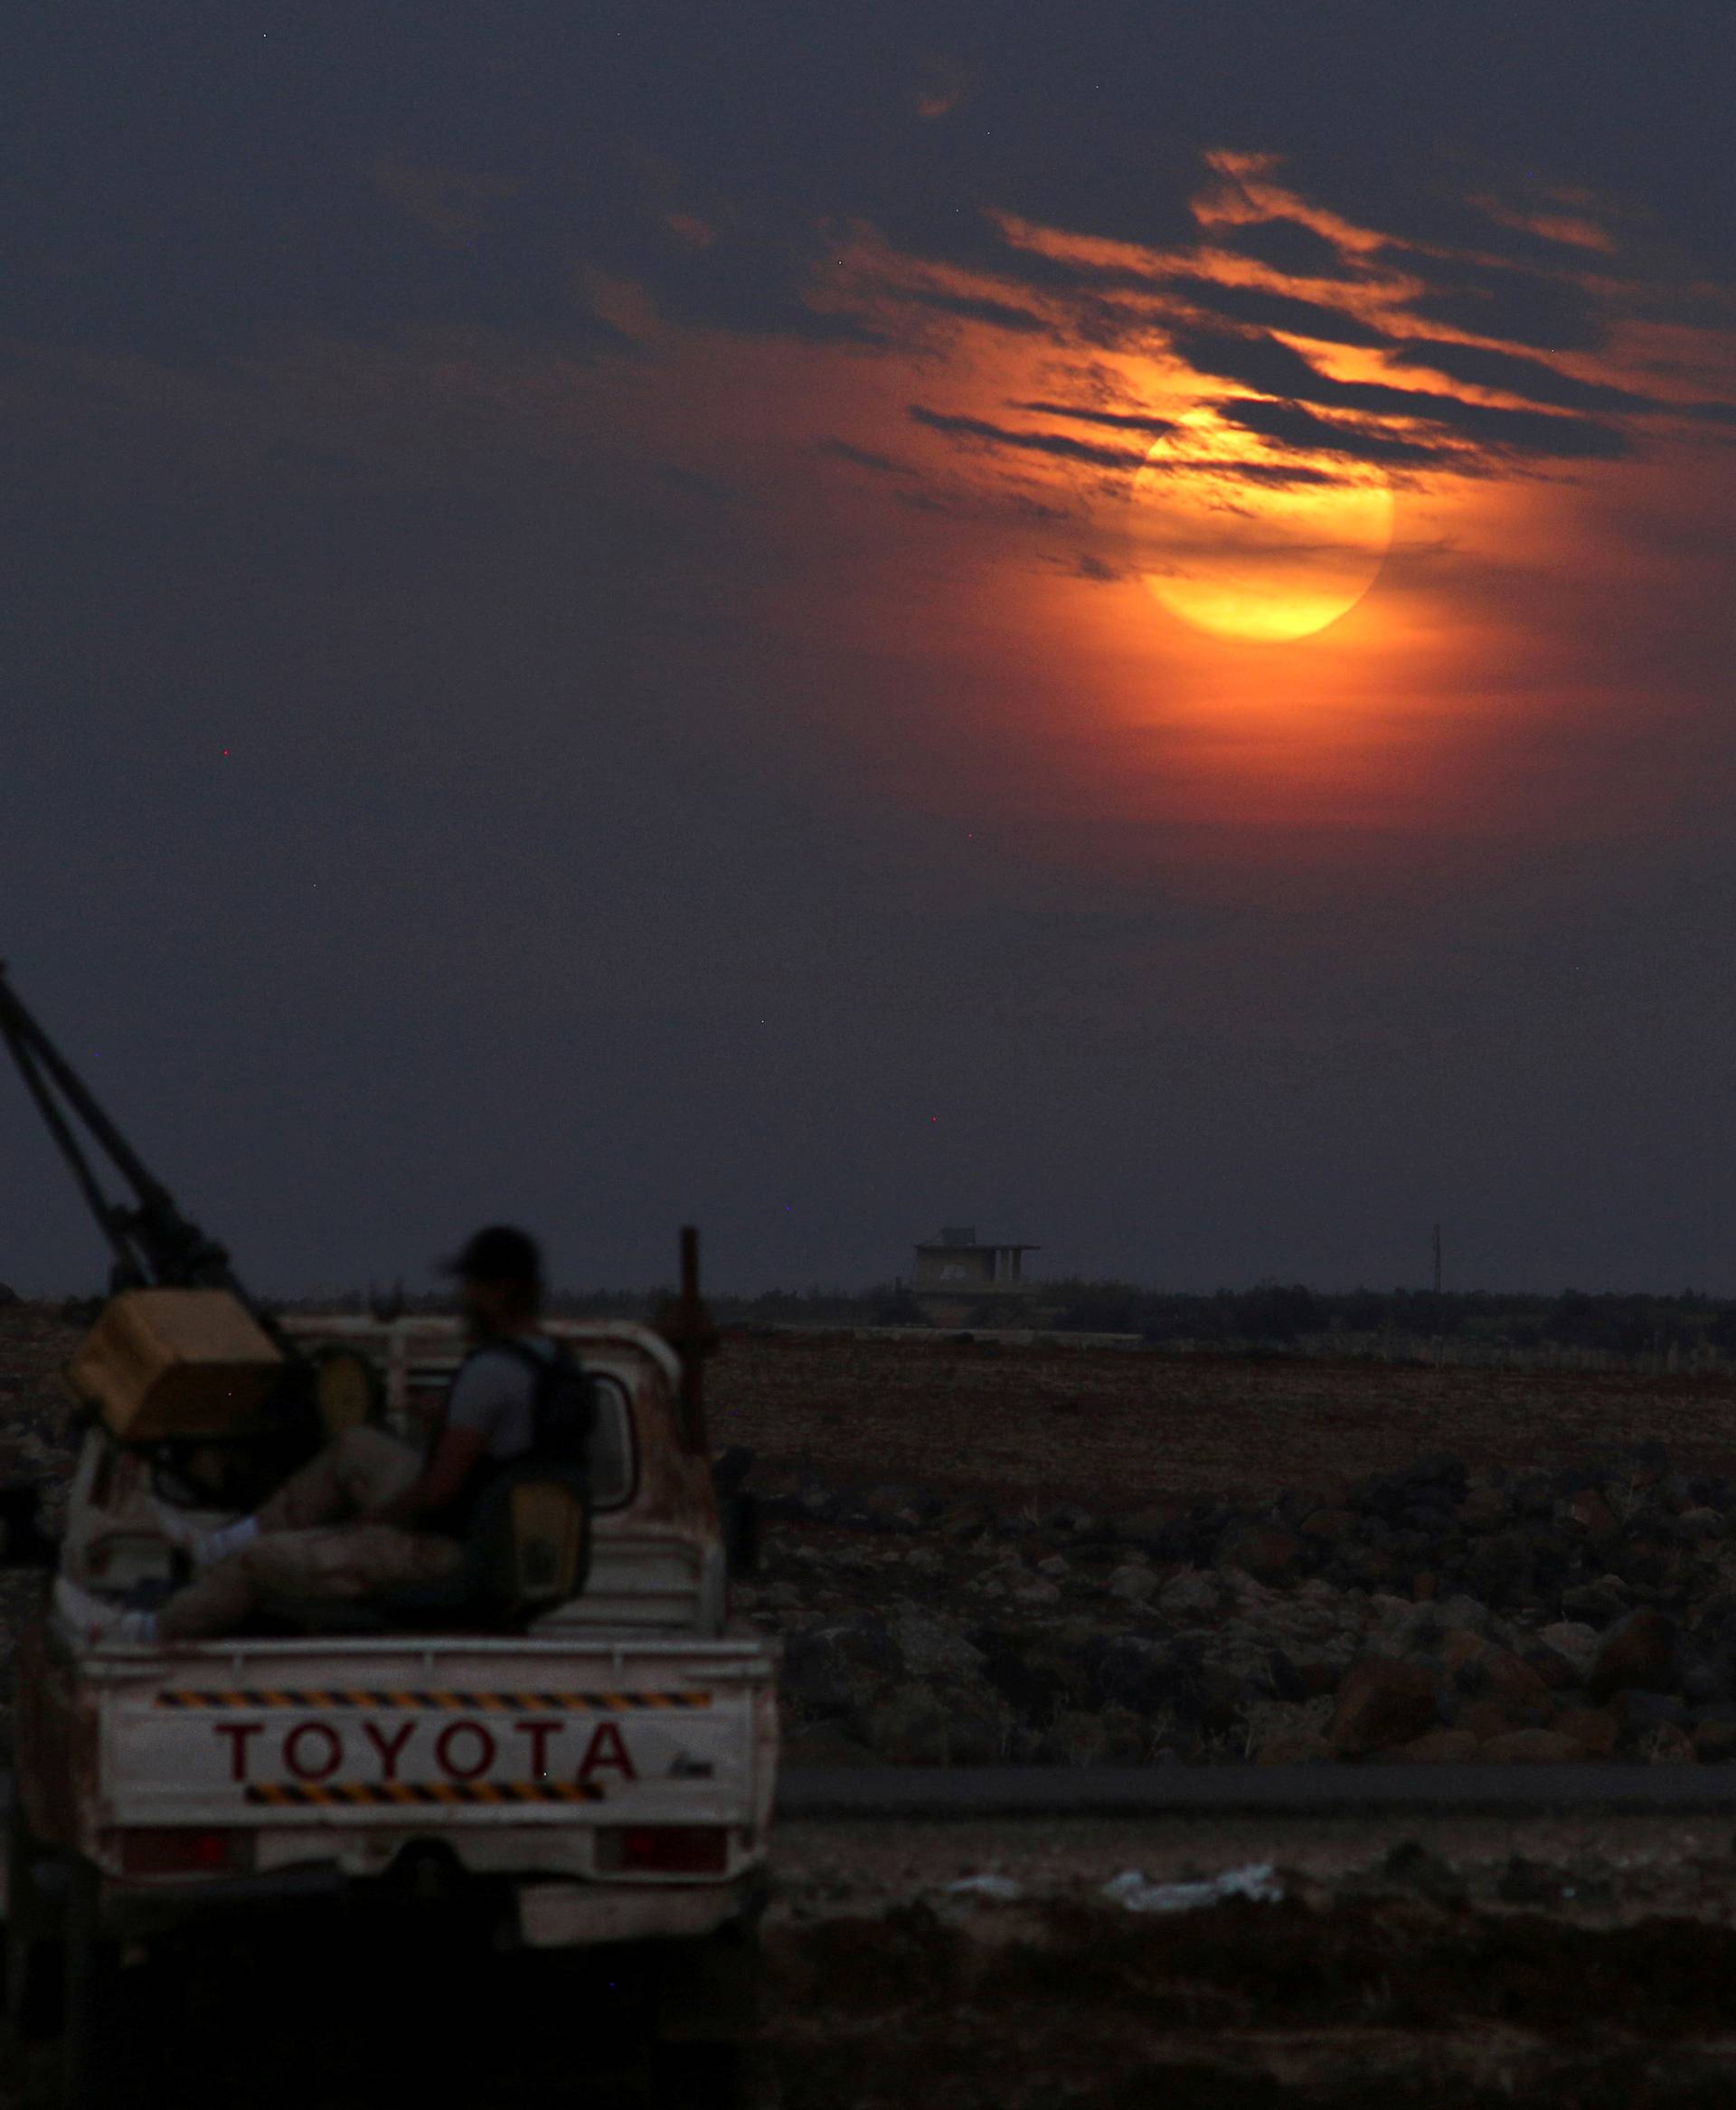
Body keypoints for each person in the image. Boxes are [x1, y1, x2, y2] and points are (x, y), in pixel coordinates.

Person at [56, 1225, 562, 1645]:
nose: (466, 1297)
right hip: (488, 1531)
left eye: (474, 1285)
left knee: (256, 1564)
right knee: (357, 1448)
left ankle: (139, 1630)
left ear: (500, 1290)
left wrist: (365, 1528)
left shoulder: (490, 1375)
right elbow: (496, 1449)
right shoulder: (550, 1364)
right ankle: (222, 1542)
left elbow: (436, 1494)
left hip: (448, 1550)